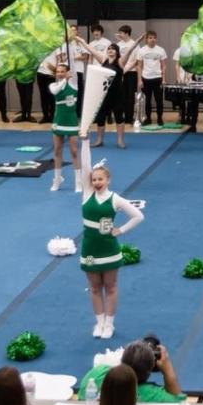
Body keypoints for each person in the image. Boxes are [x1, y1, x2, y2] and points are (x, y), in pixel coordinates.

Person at [80, 161, 145, 339]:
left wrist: (121, 230)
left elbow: (138, 216)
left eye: (100, 179)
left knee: (111, 287)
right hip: (90, 249)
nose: (97, 182)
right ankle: (99, 323)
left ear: (108, 180)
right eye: (94, 179)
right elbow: (85, 165)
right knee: (94, 288)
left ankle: (109, 324)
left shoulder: (115, 199)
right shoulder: (86, 194)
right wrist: (84, 140)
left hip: (109, 249)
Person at [77, 338, 186, 404]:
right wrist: (168, 369)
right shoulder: (151, 395)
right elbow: (178, 404)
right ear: (148, 373)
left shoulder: (95, 376)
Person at [46, 61, 81, 192]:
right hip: (58, 120)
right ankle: (57, 179)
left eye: (62, 71)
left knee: (74, 151)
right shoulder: (53, 85)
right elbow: (56, 91)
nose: (60, 73)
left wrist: (68, 77)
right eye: (58, 72)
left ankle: (78, 182)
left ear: (67, 72)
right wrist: (63, 80)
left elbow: (73, 66)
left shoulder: (74, 83)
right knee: (57, 150)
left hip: (71, 121)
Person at [136, 30, 169, 127]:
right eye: (150, 38)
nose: (152, 40)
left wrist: (163, 79)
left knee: (159, 100)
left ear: (156, 39)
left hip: (157, 78)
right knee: (147, 101)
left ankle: (159, 118)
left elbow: (164, 66)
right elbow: (139, 66)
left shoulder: (161, 50)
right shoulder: (141, 50)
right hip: (146, 78)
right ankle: (148, 118)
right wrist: (139, 80)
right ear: (146, 39)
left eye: (154, 38)